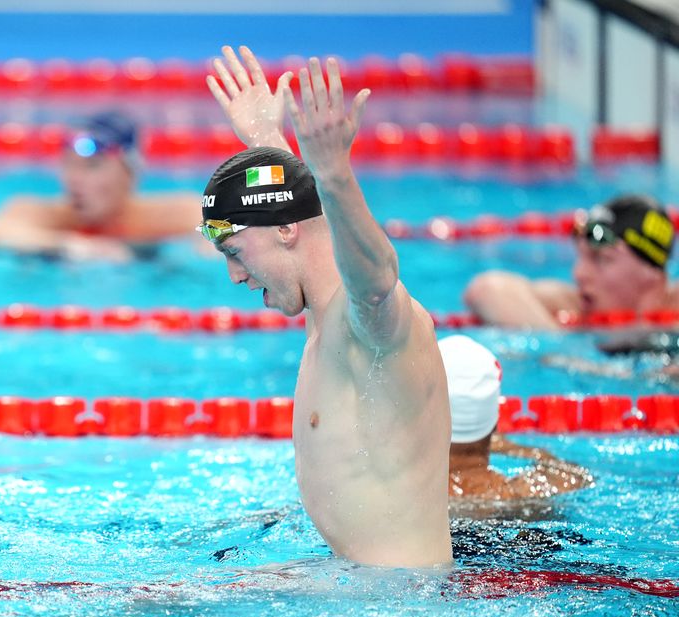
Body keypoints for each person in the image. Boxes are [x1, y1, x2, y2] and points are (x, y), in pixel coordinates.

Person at [201, 45, 452, 567]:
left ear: (286, 231)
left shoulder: (372, 324)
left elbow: (377, 278)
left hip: (398, 603)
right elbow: (303, 216)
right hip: (355, 585)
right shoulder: (323, 306)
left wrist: (336, 172)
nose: (235, 275)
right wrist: (266, 142)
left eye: (235, 251)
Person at [0, 111, 197, 260]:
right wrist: (76, 246)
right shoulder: (40, 213)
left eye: (92, 166)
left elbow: (221, 231)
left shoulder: (175, 214)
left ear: (130, 174)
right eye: (69, 164)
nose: (74, 178)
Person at [465, 194, 676, 329]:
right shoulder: (574, 306)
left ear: (651, 273)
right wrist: (562, 351)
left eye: (601, 259)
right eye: (582, 257)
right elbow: (486, 289)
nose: (579, 273)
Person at [439, 334, 593, 502]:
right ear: (495, 423)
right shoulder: (520, 492)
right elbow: (580, 476)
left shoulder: (421, 497)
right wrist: (513, 448)